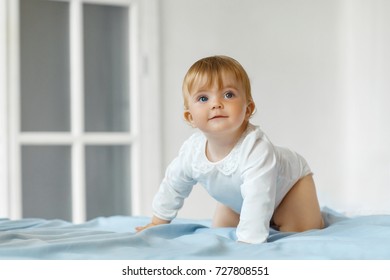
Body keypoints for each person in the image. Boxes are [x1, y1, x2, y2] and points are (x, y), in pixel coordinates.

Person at [136, 55, 324, 244]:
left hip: (290, 186)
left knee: (297, 233)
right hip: (239, 201)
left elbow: (258, 197)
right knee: (220, 233)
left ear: (248, 109)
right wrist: (157, 221)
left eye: (228, 95)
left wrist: (249, 242)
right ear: (190, 117)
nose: (216, 104)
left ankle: (290, 217)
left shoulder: (256, 149)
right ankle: (268, 220)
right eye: (203, 98)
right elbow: (173, 185)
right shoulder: (192, 152)